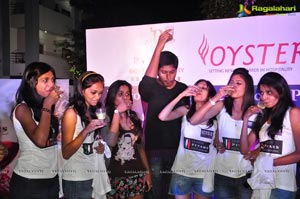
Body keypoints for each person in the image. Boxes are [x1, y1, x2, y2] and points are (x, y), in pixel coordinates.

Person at [190, 68, 255, 199]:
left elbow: (266, 138)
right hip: (222, 174)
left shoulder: (255, 112)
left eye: (238, 83)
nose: (233, 86)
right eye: (231, 82)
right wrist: (217, 96)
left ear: (247, 88)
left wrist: (258, 151)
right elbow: (194, 120)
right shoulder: (222, 106)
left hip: (246, 175)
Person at [138, 29, 187, 199]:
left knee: (172, 192)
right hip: (154, 149)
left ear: (177, 70)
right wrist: (159, 46)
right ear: (157, 70)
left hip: (176, 149)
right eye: (163, 72)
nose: (167, 76)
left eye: (171, 72)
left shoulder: (183, 89)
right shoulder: (151, 88)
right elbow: (146, 83)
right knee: (155, 192)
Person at [240, 72, 300, 199]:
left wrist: (267, 163)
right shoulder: (263, 117)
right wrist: (245, 119)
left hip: (282, 185)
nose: (264, 97)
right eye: (261, 93)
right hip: (261, 182)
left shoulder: (293, 113)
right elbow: (244, 150)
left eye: (269, 92)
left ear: (281, 91)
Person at [61, 71, 119, 199]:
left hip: (92, 174)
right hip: (76, 177)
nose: (97, 97)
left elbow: (87, 143)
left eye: (100, 93)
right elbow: (66, 152)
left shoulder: (92, 111)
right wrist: (86, 130)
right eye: (93, 92)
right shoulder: (71, 113)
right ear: (82, 90)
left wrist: (99, 147)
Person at [9, 62, 63, 199]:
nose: (51, 85)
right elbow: (39, 140)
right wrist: (47, 104)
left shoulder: (45, 109)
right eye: (45, 80)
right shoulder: (22, 109)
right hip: (29, 181)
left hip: (51, 179)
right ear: (32, 83)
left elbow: (48, 142)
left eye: (52, 80)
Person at [158, 79, 217, 199]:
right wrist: (181, 95)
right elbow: (162, 116)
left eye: (204, 88)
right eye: (197, 87)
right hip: (182, 172)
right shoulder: (186, 110)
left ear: (210, 95)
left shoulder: (216, 116)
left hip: (204, 173)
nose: (199, 90)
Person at [105, 80, 152, 199]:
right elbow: (111, 142)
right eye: (120, 94)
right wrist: (117, 113)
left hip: (136, 174)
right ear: (112, 97)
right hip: (114, 176)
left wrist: (147, 172)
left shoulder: (134, 117)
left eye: (127, 94)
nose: (125, 98)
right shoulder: (106, 119)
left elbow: (140, 148)